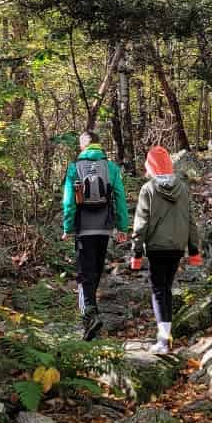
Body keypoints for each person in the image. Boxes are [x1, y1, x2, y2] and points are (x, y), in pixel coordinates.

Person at [130, 145, 201, 354]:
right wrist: (194, 249)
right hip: (177, 247)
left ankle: (163, 340)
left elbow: (141, 224)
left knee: (158, 290)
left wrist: (136, 252)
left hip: (156, 247)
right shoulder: (183, 188)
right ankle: (166, 333)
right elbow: (191, 221)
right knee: (165, 289)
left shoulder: (148, 189)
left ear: (150, 167)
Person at [62, 130, 129, 340]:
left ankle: (89, 315)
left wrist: (67, 227)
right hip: (104, 229)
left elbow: (68, 201)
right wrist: (122, 227)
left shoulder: (74, 167)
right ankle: (93, 312)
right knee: (97, 270)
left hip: (84, 230)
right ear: (99, 145)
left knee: (84, 274)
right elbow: (120, 198)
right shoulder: (110, 168)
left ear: (82, 146)